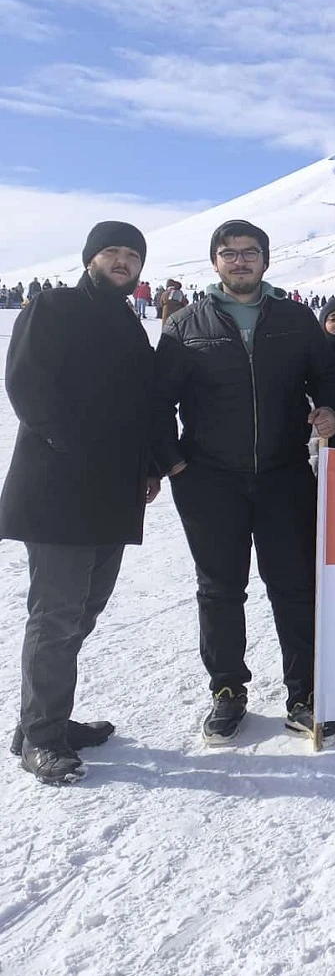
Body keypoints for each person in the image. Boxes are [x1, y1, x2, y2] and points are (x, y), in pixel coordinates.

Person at [154, 219, 335, 745]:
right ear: (214, 262)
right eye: (229, 253)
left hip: (284, 474)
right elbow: (156, 404)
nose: (240, 261)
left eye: (250, 253)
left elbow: (326, 377)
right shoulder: (185, 324)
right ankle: (226, 690)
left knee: (292, 586)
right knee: (219, 590)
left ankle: (303, 691)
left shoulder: (294, 318)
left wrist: (329, 408)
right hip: (208, 480)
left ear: (266, 260)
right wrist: (174, 463)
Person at [1, 222, 157, 784]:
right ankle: (40, 738)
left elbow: (140, 404)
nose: (123, 261)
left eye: (132, 255)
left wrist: (148, 466)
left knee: (83, 610)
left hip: (110, 491)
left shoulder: (126, 320)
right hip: (60, 488)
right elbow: (26, 384)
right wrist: (71, 447)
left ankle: (43, 720)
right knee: (56, 614)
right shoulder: (55, 306)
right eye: (112, 252)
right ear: (91, 257)